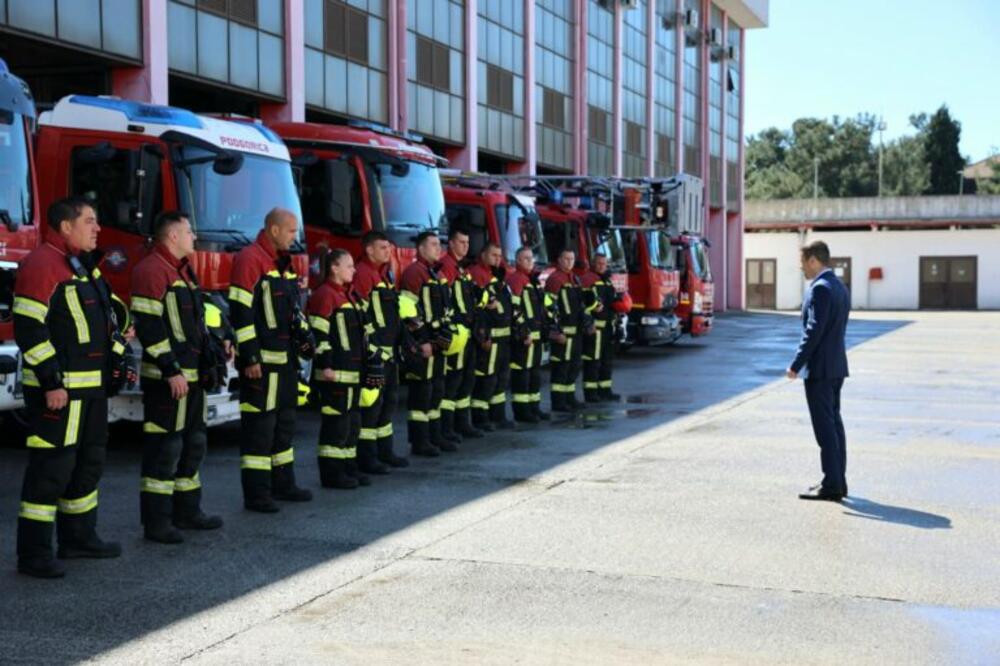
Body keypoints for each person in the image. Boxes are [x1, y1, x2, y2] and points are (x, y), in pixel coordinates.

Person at [13, 197, 125, 578]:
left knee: (86, 466)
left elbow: (104, 314)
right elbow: (29, 327)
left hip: (90, 392)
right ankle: (34, 555)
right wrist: (51, 381)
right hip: (60, 394)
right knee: (51, 471)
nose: (97, 228)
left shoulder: (80, 267)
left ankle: (78, 539)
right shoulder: (44, 263)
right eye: (90, 221)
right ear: (65, 226)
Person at [130, 211, 226, 544]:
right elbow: (149, 325)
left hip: (192, 377)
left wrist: (219, 339)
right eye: (188, 232)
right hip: (167, 380)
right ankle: (157, 523)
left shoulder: (181, 271)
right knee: (164, 448)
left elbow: (197, 320)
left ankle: (188, 511)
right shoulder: (152, 271)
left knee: (193, 443)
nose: (193, 238)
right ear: (172, 236)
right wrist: (171, 370)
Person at [228, 208, 314, 512]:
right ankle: (257, 494)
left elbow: (291, 312)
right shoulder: (251, 259)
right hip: (262, 365)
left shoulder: (282, 264)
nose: (295, 237)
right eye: (291, 231)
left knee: (284, 427)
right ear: (274, 230)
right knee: (260, 431)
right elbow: (241, 311)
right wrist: (250, 356)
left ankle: (284, 484)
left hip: (286, 363)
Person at [308, 249, 384, 489]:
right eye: (349, 265)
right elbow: (318, 334)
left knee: (352, 425)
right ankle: (332, 475)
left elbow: (366, 331)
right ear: (334, 268)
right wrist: (326, 365)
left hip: (353, 374)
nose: (354, 270)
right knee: (336, 426)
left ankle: (349, 469)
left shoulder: (351, 296)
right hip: (335, 375)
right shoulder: (325, 295)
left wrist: (374, 357)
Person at [786, 240, 851, 502]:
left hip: (821, 370)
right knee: (834, 424)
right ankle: (838, 480)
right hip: (836, 367)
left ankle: (831, 484)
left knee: (825, 428)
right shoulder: (839, 287)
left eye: (803, 263)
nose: (802, 268)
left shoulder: (821, 289)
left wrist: (796, 364)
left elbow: (814, 330)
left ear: (814, 260)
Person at [352, 231, 409, 471]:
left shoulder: (383, 274)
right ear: (369, 250)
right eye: (383, 247)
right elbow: (361, 319)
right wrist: (373, 352)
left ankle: (385, 452)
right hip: (375, 356)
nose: (388, 251)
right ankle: (367, 458)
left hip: (390, 354)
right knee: (372, 409)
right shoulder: (363, 275)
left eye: (388, 247)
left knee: (388, 405)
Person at [398, 231, 453, 456]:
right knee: (422, 393)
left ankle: (434, 436)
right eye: (432, 244)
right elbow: (407, 311)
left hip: (438, 344)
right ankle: (420, 442)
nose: (437, 248)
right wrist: (424, 342)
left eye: (439, 244)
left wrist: (445, 337)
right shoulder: (414, 273)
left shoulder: (436, 274)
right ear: (420, 249)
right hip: (425, 345)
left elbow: (446, 310)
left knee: (437, 389)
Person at [437, 226, 485, 441]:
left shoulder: (463, 269)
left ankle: (462, 424)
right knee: (453, 382)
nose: (466, 246)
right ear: (451, 244)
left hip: (469, 332)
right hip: (457, 333)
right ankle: (447, 429)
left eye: (467, 243)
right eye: (461, 242)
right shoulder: (447, 266)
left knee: (466, 380)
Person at [468, 243, 514, 430]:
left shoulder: (498, 276)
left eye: (499, 255)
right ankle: (481, 418)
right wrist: (482, 336)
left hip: (504, 339)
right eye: (494, 255)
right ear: (483, 254)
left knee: (501, 379)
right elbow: (480, 311)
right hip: (491, 338)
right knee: (487, 379)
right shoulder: (478, 274)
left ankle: (498, 416)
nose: (498, 259)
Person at [545, 249, 593, 412]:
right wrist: (556, 332)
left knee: (574, 366)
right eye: (566, 259)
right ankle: (558, 402)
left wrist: (588, 323)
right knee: (561, 368)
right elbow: (550, 309)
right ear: (559, 260)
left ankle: (570, 397)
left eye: (572, 259)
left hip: (576, 333)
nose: (569, 262)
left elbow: (581, 306)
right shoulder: (555, 280)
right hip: (563, 334)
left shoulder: (575, 279)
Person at [506, 246, 549, 423]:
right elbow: (514, 309)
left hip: (537, 336)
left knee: (535, 374)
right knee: (522, 375)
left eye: (531, 258)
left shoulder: (533, 281)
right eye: (526, 259)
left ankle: (534, 408)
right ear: (517, 261)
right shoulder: (516, 280)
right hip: (525, 338)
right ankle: (522, 412)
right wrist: (524, 332)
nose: (530, 262)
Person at [580, 252, 621, 403]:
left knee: (607, 360)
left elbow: (613, 302)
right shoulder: (587, 280)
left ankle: (605, 390)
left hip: (609, 328)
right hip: (594, 329)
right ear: (592, 264)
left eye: (604, 264)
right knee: (593, 361)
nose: (601, 266)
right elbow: (582, 304)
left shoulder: (607, 281)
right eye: (598, 263)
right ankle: (591, 393)